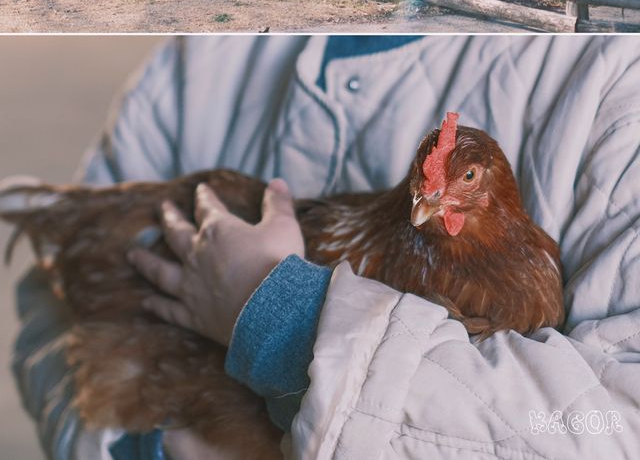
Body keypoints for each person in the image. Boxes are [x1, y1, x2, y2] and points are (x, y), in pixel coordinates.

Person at [12, 34, 640, 460]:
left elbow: (614, 428)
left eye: (464, 179)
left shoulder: (610, 77)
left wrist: (282, 316)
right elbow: (54, 312)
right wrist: (148, 449)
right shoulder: (203, 53)